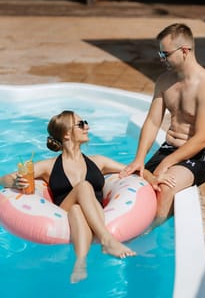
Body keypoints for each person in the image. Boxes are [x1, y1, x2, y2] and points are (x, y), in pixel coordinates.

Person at [0, 110, 138, 284]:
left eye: (85, 122)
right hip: (62, 212)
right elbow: (4, 179)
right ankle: (107, 240)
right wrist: (15, 182)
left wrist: (155, 178)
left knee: (77, 209)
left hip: (88, 211)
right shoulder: (49, 166)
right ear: (66, 134)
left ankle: (80, 262)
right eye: (81, 124)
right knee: (83, 187)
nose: (87, 127)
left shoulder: (98, 161)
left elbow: (133, 169)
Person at [120, 23, 205, 227]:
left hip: (198, 155)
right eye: (160, 53)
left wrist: (165, 165)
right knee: (134, 181)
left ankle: (148, 236)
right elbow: (152, 121)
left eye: (165, 54)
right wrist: (139, 159)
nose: (161, 58)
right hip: (168, 149)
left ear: (185, 51)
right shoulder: (164, 81)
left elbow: (202, 138)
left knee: (165, 188)